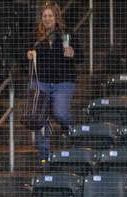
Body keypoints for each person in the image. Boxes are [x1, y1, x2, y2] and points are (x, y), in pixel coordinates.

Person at [25, 1, 78, 165]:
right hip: (40, 83)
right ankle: (45, 158)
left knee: (60, 113)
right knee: (40, 120)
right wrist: (27, 55)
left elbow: (81, 57)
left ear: (56, 18)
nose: (47, 19)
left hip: (63, 82)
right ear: (41, 18)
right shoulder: (35, 36)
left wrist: (73, 52)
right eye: (45, 16)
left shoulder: (66, 35)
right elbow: (21, 60)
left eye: (50, 16)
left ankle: (72, 129)